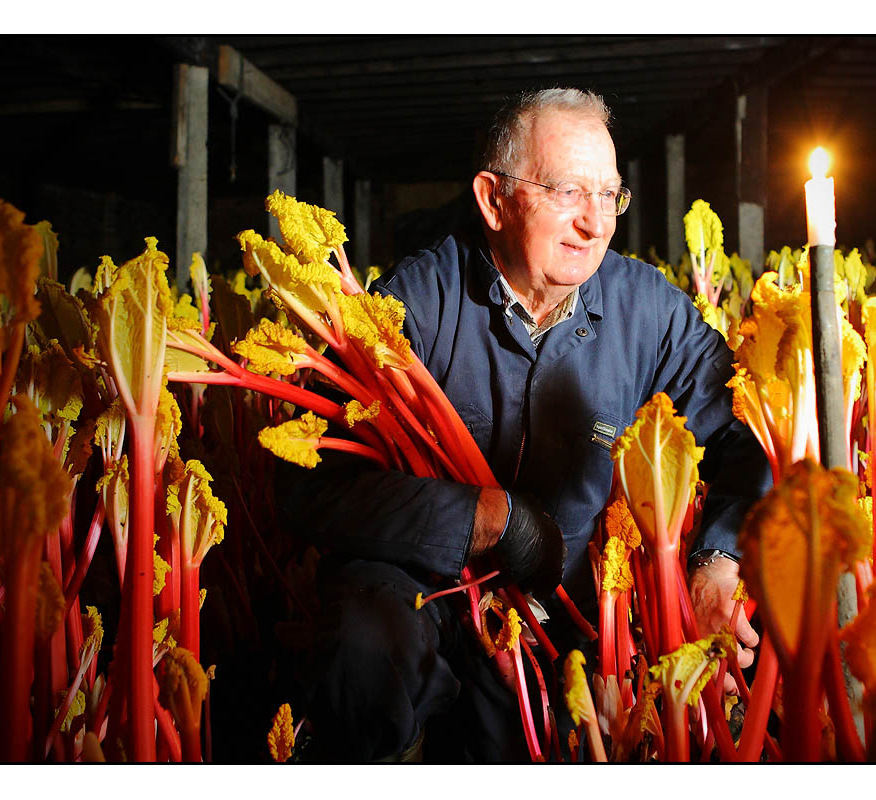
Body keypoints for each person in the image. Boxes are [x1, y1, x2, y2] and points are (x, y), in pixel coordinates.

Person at [277, 88, 772, 762]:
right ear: (494, 199)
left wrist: (718, 561)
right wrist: (486, 518)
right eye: (569, 191)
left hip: (576, 606)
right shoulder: (411, 306)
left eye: (610, 196)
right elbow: (311, 485)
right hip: (429, 590)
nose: (595, 223)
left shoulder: (649, 312)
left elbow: (744, 437)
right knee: (367, 645)